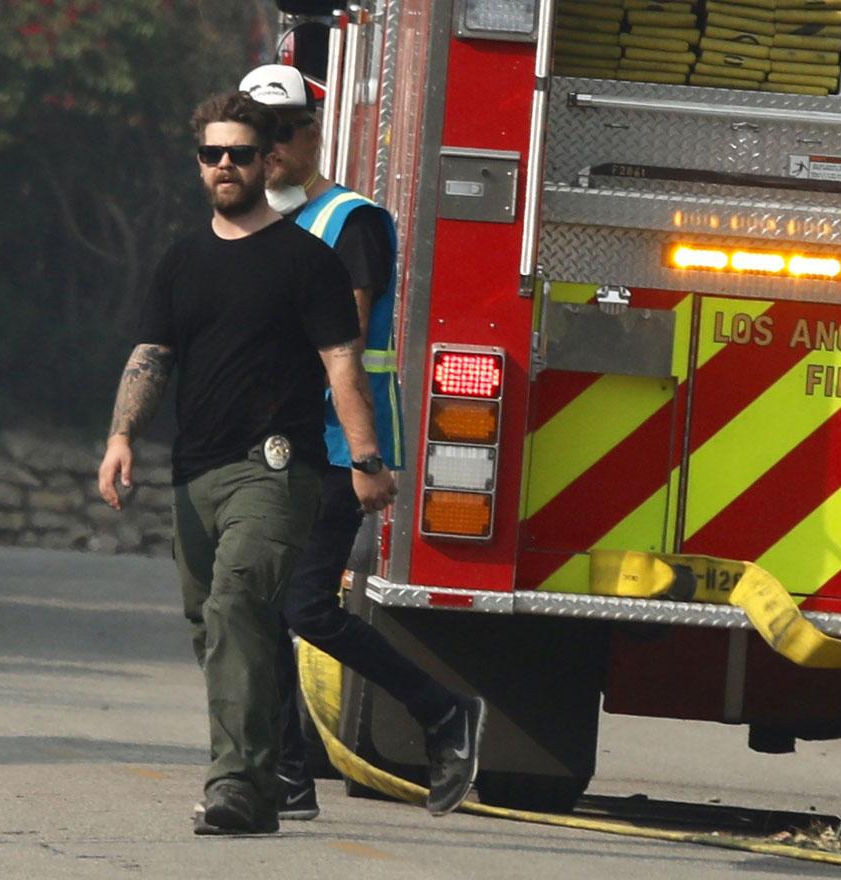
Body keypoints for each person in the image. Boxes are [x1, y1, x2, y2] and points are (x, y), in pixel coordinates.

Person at [96, 90, 396, 836]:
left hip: (277, 467)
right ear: (199, 165)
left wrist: (365, 458)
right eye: (211, 155)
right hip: (197, 471)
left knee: (236, 608)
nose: (224, 166)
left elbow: (342, 364)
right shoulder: (183, 259)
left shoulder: (309, 259)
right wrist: (121, 437)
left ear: (268, 161)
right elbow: (153, 354)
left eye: (238, 153)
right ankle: (264, 787)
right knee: (215, 626)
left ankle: (232, 784)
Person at [238, 63, 487, 820]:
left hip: (336, 448)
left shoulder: (350, 222)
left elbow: (339, 345)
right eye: (256, 133)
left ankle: (443, 711)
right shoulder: (254, 222)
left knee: (304, 609)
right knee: (257, 607)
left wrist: (368, 457)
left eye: (284, 131)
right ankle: (286, 778)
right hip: (276, 446)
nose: (270, 147)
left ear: (315, 130)